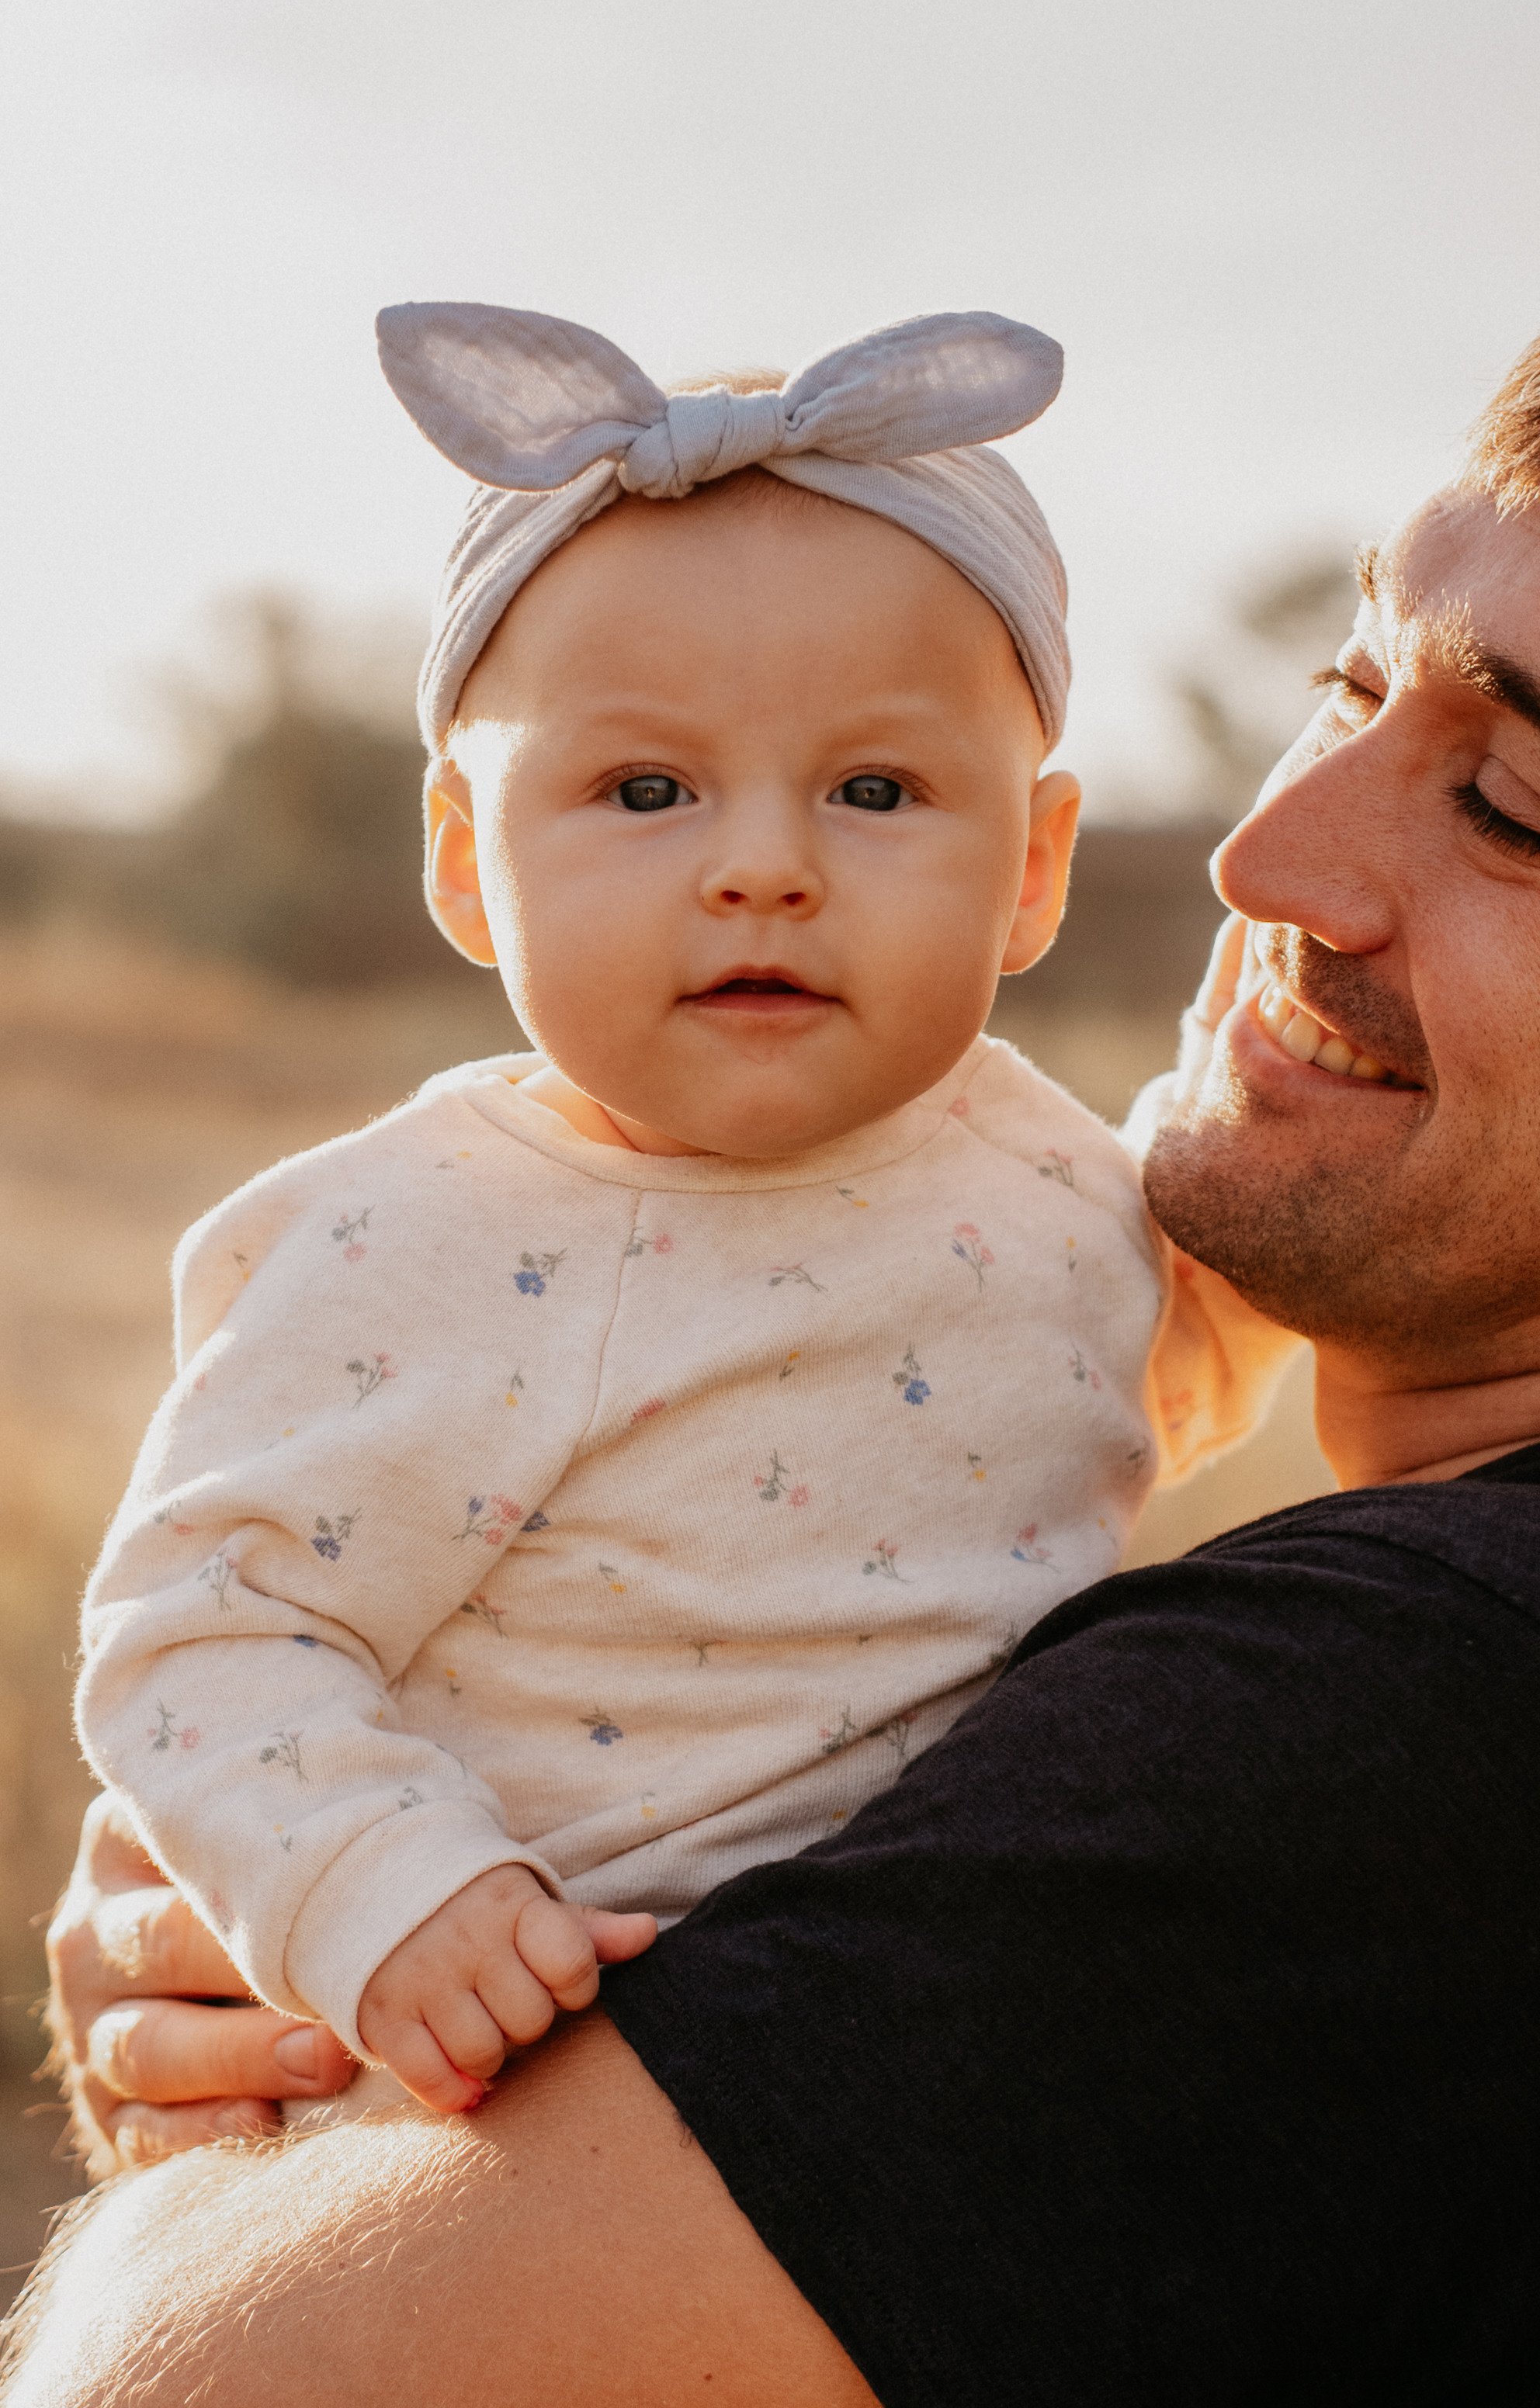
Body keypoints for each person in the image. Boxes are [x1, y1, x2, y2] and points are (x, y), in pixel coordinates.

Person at [15, 250, 1540, 2405]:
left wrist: (207, 2166)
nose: (1269, 858)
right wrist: (295, 1885)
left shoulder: (1443, 1737)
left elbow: (190, 2388)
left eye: (1517, 814)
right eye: (1356, 684)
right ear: (464, 853)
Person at [73, 304, 1285, 2119]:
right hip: (509, 2061)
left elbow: (1155, 1379)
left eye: (876, 790)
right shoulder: (429, 1240)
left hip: (918, 2068)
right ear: (469, 864)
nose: (765, 865)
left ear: (1031, 872)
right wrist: (389, 1890)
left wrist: (1271, 1171)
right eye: (644, 790)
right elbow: (206, 1628)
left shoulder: (1057, 1183)